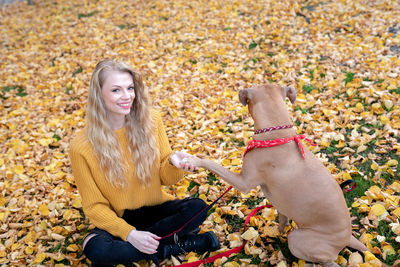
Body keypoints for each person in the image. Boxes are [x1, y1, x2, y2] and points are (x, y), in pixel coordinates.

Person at [69, 59, 220, 266]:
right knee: (97, 249)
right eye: (116, 90)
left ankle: (142, 249)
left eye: (130, 88)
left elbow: (166, 178)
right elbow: (94, 207)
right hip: (118, 218)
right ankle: (171, 246)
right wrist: (129, 233)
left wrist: (174, 164)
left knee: (197, 208)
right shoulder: (81, 146)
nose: (126, 96)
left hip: (156, 210)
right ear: (98, 94)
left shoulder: (151, 120)